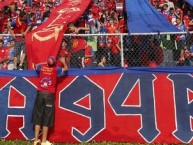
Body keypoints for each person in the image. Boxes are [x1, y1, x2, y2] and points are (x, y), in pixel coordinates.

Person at [32, 56, 68, 145]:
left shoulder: (42, 67)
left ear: (47, 62)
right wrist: (63, 62)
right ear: (55, 63)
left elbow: (35, 65)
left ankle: (36, 140)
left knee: (38, 116)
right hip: (49, 95)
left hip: (40, 93)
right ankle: (44, 141)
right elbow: (66, 69)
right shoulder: (56, 69)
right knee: (47, 117)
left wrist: (44, 62)